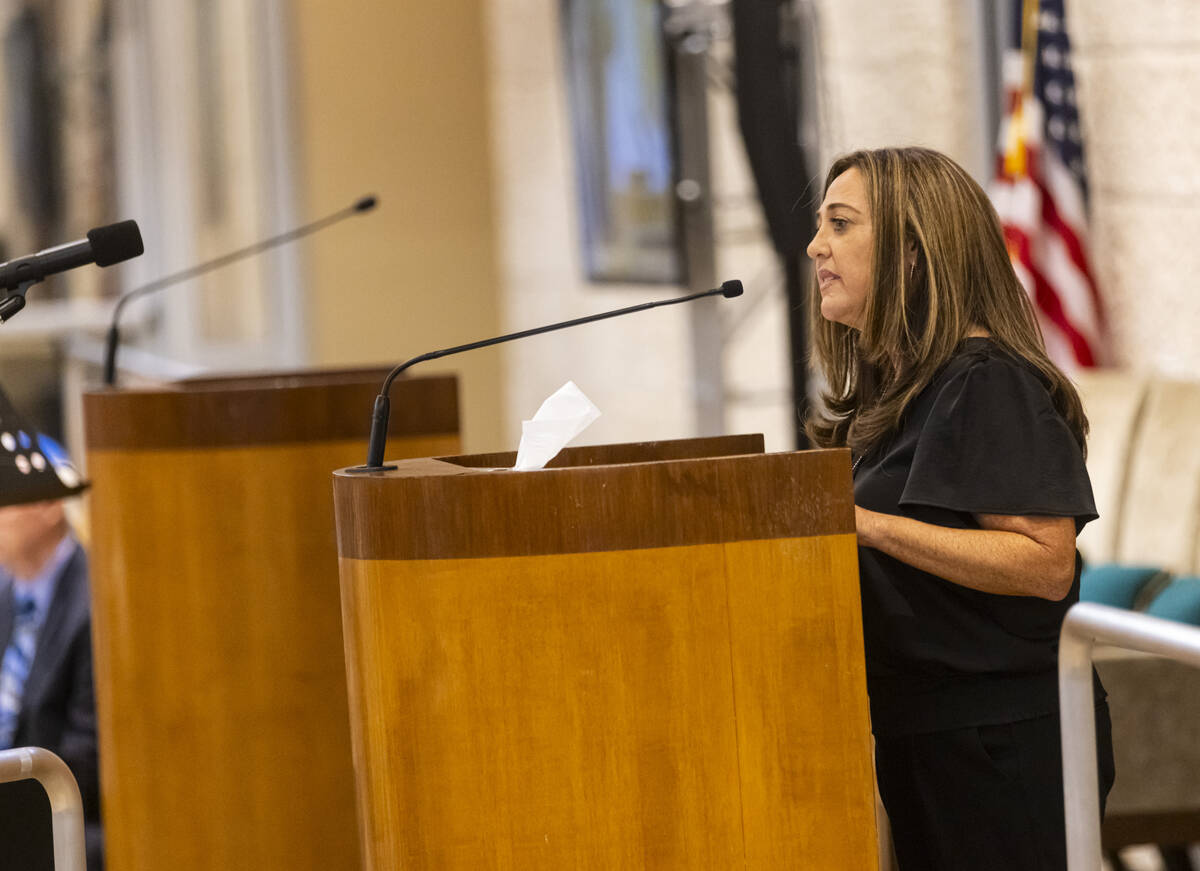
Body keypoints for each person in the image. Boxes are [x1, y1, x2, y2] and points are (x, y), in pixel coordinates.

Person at [804, 146, 1114, 871]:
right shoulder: (903, 391)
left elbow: (1044, 563)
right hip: (928, 730)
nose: (817, 244)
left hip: (1002, 740)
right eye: (820, 224)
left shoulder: (986, 383)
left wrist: (863, 525)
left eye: (841, 224)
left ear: (914, 251)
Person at [0, 438, 102, 870]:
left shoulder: (97, 606)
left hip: (57, 813)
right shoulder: (6, 592)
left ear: (48, 505)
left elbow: (88, 761)